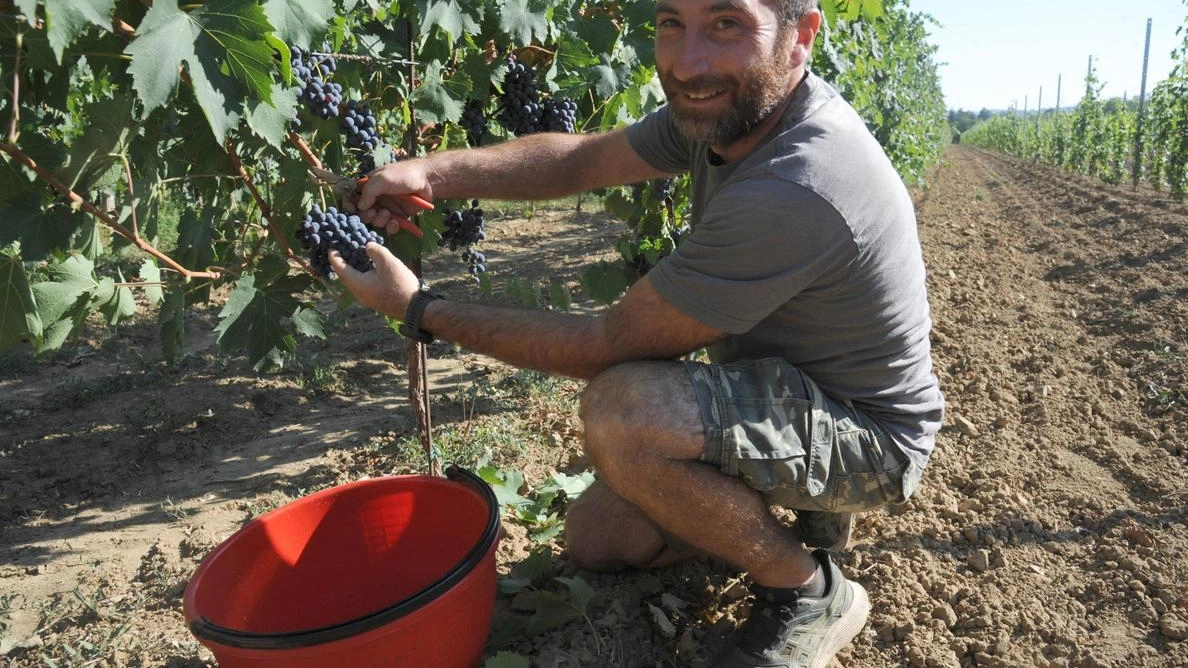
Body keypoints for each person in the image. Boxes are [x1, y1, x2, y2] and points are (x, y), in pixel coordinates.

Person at [329, 1, 944, 666]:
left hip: (871, 439)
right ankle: (798, 510)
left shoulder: (797, 182)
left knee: (625, 412)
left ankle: (807, 585)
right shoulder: (731, 115)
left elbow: (609, 345)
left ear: (800, 36)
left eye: (727, 23)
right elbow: (581, 162)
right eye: (671, 23)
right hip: (786, 393)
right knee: (597, 539)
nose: (686, 61)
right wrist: (433, 173)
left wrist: (420, 308)